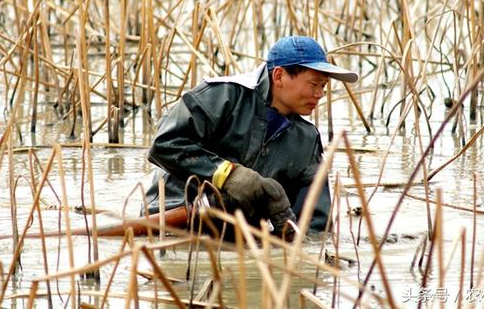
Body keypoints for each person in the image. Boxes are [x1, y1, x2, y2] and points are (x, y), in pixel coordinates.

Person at [144, 35, 358, 237]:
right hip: (170, 223)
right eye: (313, 84)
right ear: (279, 76)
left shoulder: (306, 140)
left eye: (323, 86)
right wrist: (227, 174)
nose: (320, 94)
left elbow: (315, 226)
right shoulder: (223, 96)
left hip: (235, 239)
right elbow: (163, 145)